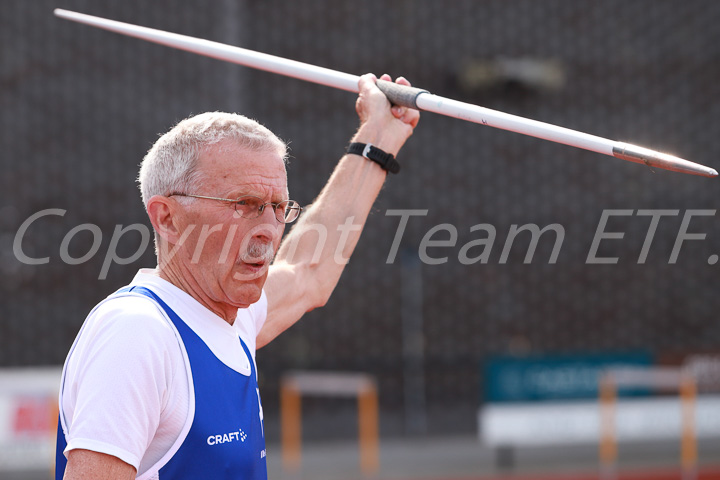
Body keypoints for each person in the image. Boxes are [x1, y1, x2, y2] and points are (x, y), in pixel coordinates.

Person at [55, 73, 420, 480]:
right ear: (167, 218)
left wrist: (379, 138)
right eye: (244, 204)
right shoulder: (139, 334)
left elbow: (307, 272)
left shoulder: (229, 318)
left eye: (278, 207)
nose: (268, 228)